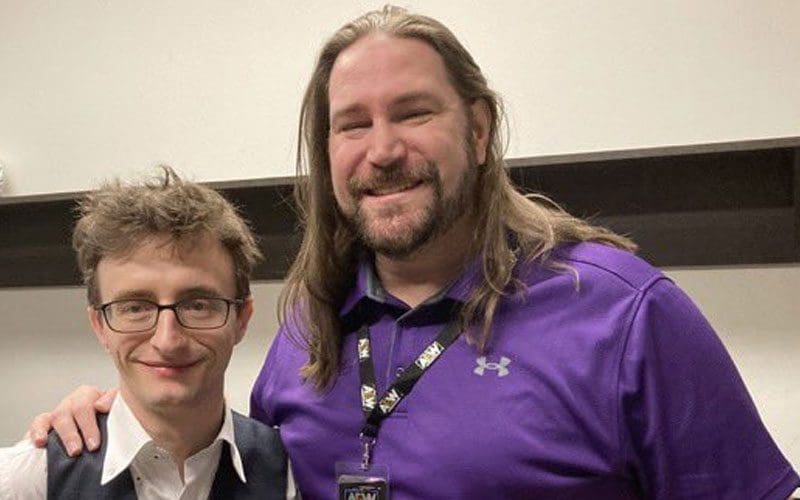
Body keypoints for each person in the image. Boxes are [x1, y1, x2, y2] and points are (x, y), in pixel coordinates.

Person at [28, 6, 800, 499]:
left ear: (479, 129)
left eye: (413, 112)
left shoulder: (624, 315)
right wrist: (112, 419)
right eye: (352, 125)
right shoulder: (303, 337)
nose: (383, 150)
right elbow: (222, 455)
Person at [1, 168, 287, 498]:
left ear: (241, 318)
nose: (167, 341)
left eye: (198, 305)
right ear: (100, 325)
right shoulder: (25, 481)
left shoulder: (290, 476)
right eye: (135, 308)